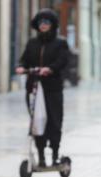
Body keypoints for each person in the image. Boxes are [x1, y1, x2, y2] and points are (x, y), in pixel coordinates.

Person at [16, 9, 69, 167]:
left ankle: (54, 155)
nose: (44, 25)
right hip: (34, 88)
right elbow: (24, 60)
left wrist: (50, 69)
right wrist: (20, 67)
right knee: (37, 121)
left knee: (54, 121)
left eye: (47, 22)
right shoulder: (32, 43)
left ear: (52, 25)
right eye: (41, 22)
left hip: (52, 89)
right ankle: (41, 156)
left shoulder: (60, 43)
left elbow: (63, 60)